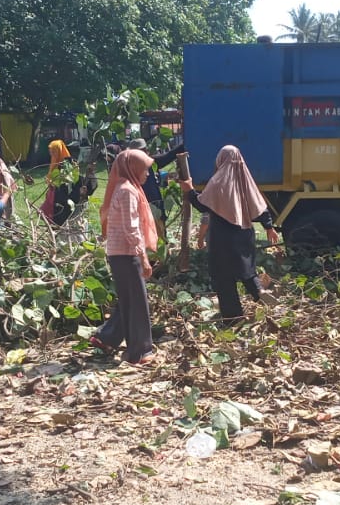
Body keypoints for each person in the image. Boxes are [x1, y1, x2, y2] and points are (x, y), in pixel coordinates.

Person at [178, 145, 280, 321]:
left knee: (223, 276)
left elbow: (203, 205)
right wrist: (269, 228)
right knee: (246, 269)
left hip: (222, 238)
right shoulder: (246, 180)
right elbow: (261, 208)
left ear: (220, 160)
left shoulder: (218, 182)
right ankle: (259, 291)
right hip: (245, 234)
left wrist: (190, 191)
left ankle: (232, 316)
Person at [91, 149, 159, 365]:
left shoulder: (121, 188)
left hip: (117, 253)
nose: (147, 174)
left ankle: (107, 337)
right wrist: (144, 258)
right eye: (145, 170)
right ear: (133, 169)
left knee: (129, 299)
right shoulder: (128, 191)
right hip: (127, 254)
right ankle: (140, 352)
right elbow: (132, 229)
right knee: (138, 302)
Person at [40, 139, 73, 223]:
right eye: (50, 151)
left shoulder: (66, 163)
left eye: (53, 151)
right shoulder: (56, 160)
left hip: (62, 193)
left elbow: (67, 179)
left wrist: (54, 181)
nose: (51, 153)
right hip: (55, 191)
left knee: (59, 212)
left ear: (59, 150)